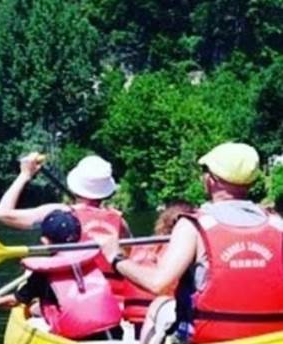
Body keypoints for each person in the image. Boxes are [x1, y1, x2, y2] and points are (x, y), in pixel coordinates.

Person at [98, 142, 283, 344]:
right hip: (271, 338)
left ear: (211, 180)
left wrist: (115, 257)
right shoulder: (278, 225)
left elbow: (158, 283)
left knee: (159, 305)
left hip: (209, 339)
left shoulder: (193, 225)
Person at [0, 154, 132, 299]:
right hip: (113, 298)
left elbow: (2, 214)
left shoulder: (60, 213)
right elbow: (128, 259)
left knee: (31, 282)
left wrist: (25, 175)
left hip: (72, 298)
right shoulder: (119, 221)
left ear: (75, 186)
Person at [0, 210, 123, 339]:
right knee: (39, 307)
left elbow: (14, 301)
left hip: (75, 338)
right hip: (115, 333)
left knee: (34, 319)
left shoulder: (43, 273)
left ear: (45, 241)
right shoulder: (91, 260)